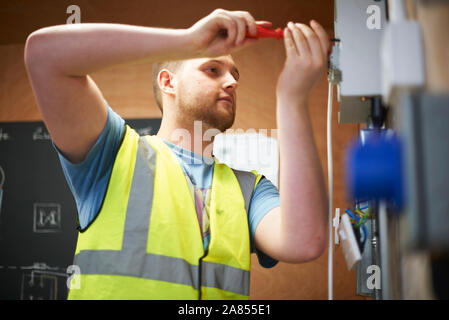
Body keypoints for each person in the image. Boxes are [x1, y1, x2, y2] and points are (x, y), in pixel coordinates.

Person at [24, 9, 329, 299]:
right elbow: (43, 54)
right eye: (212, 69)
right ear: (168, 82)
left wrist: (292, 99)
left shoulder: (249, 191)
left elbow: (304, 242)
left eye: (235, 74)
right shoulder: (114, 153)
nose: (232, 81)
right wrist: (189, 41)